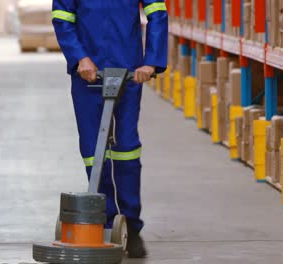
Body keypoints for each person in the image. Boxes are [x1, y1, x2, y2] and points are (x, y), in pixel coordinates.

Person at [52, 0, 168, 258]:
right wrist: (80, 57)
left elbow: (157, 14)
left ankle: (132, 226)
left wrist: (151, 62)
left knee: (126, 149)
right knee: (94, 151)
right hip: (87, 74)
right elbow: (62, 17)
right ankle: (106, 222)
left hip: (129, 70)